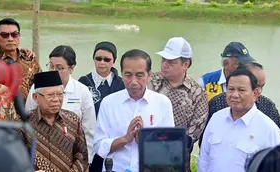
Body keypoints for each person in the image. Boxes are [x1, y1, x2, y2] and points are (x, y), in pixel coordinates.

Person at [94, 49, 175, 172]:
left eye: (139, 75)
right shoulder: (108, 103)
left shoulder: (162, 103)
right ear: (122, 75)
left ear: (149, 76)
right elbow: (98, 147)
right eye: (128, 75)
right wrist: (125, 139)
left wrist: (144, 141)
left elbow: (169, 148)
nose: (133, 81)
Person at [198, 67, 280, 172]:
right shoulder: (216, 118)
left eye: (241, 90)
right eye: (231, 89)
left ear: (255, 93)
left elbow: (278, 167)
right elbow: (204, 159)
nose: (234, 95)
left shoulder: (269, 129)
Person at [25, 45, 96, 165]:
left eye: (59, 68)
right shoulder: (37, 87)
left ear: (71, 68)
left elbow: (89, 130)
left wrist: (84, 163)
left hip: (70, 156)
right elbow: (28, 120)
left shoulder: (82, 91)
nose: (53, 71)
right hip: (40, 154)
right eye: (51, 65)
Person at [148, 37, 208, 171]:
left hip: (177, 161)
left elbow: (194, 132)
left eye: (171, 62)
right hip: (146, 152)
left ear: (185, 64)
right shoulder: (150, 81)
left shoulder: (197, 93)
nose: (164, 65)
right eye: (163, 60)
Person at [21, 71, 88, 171]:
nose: (56, 99)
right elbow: (16, 158)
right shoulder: (24, 123)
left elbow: (82, 156)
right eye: (50, 95)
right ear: (36, 97)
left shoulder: (72, 120)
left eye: (60, 94)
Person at [204, 62, 280, 142]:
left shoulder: (268, 106)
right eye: (256, 86)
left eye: (262, 87)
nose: (258, 91)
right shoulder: (217, 104)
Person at [78, 42, 125, 171]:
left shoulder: (121, 84)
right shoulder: (83, 82)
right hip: (90, 138)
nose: (102, 63)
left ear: (113, 61)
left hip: (115, 139)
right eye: (98, 59)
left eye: (107, 59)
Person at [0, 18, 41, 103]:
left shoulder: (29, 59)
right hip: (0, 114)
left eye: (14, 34)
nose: (10, 39)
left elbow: (41, 87)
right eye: (4, 35)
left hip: (30, 113)